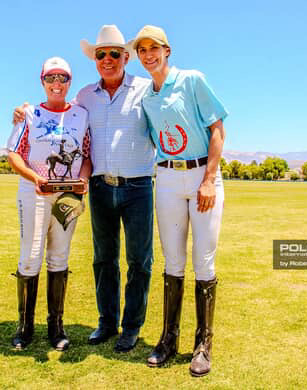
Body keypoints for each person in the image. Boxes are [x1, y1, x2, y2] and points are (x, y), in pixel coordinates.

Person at [14, 25, 155, 352]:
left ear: (126, 57)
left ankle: (131, 327)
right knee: (104, 259)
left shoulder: (146, 89)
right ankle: (106, 323)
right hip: (98, 187)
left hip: (138, 187)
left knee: (139, 260)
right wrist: (22, 110)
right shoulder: (84, 96)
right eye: (101, 54)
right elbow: (55, 110)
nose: (108, 59)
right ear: (95, 59)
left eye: (114, 54)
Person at [132, 25, 229, 377]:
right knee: (173, 260)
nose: (149, 55)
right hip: (167, 177)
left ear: (167, 50)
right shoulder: (146, 95)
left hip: (202, 175)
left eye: (154, 48)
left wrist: (208, 180)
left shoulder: (191, 80)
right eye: (142, 50)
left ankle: (203, 345)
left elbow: (217, 129)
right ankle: (168, 339)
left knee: (203, 262)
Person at [6, 56, 91, 352]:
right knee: (30, 256)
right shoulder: (29, 114)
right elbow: (14, 155)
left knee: (60, 255)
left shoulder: (81, 115)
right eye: (51, 78)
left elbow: (87, 155)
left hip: (69, 194)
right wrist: (34, 178)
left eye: (63, 78)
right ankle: (25, 326)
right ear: (42, 81)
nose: (57, 84)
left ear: (70, 82)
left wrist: (83, 181)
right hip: (34, 192)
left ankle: (56, 327)